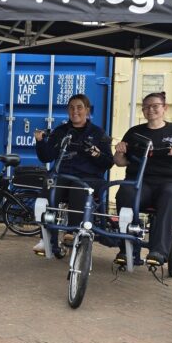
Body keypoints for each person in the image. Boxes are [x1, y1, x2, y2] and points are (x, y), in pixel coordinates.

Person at [114, 92, 172, 267]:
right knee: (126, 193)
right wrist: (119, 150)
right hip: (141, 182)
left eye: (155, 106)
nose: (150, 110)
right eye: (146, 107)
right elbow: (120, 162)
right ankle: (127, 249)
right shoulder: (134, 133)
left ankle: (158, 251)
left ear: (164, 108)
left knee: (169, 196)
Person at [34, 94, 114, 258]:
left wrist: (95, 154)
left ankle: (73, 231)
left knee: (79, 188)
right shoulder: (61, 131)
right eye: (71, 108)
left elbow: (108, 162)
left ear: (87, 110)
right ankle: (46, 238)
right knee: (47, 188)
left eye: (79, 107)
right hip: (63, 176)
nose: (75, 111)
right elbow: (46, 157)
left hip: (89, 179)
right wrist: (41, 142)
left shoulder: (98, 133)